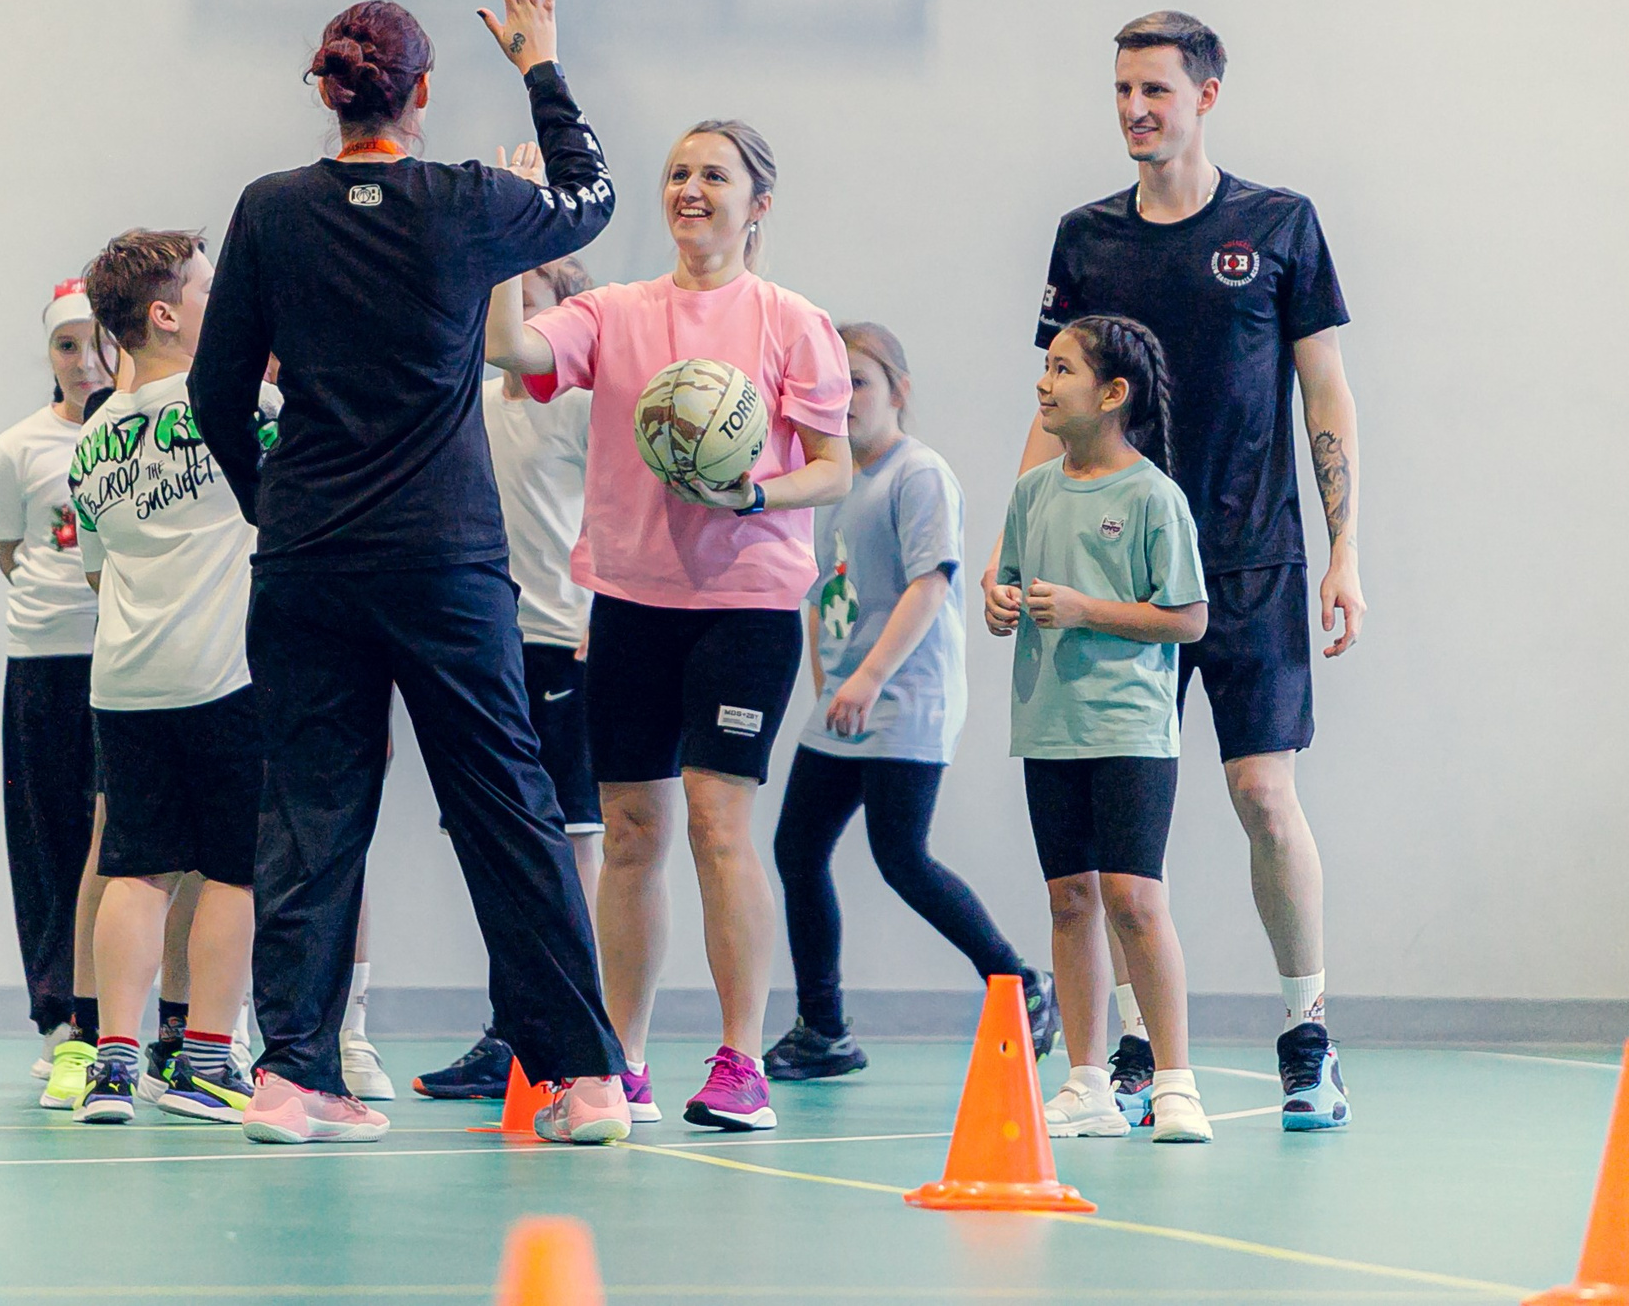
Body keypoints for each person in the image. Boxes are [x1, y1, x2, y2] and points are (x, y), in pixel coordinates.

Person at [188, 0, 631, 1146]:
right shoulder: (466, 199)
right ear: (420, 94)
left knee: (311, 815)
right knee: (506, 808)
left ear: (329, 95)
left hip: (310, 563)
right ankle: (585, 1081)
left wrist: (268, 507)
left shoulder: (271, 210)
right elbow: (592, 198)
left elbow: (215, 391)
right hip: (443, 563)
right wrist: (539, 62)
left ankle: (292, 1077)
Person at [1026, 11, 1360, 1130]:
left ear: (1205, 95)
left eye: (1155, 91)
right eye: (1121, 90)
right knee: (1120, 832)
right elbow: (1055, 400)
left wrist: (1344, 550)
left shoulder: (1278, 226)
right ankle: (1125, 1050)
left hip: (1253, 566)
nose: (1133, 110)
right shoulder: (1086, 239)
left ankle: (1307, 1033)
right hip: (1115, 573)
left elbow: (1326, 394)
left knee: (1263, 795)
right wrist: (1013, 547)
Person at [487, 119, 851, 1132]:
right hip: (632, 602)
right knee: (635, 831)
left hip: (745, 602)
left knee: (717, 822)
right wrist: (511, 243)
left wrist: (755, 495)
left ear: (756, 205)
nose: (691, 188)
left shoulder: (792, 321)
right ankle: (622, 1058)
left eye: (715, 175)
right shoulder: (611, 313)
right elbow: (514, 348)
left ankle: (741, 1060)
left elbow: (833, 467)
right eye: (679, 173)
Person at [765, 323, 1050, 1082]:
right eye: (831, 384)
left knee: (901, 855)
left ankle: (1018, 980)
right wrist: (830, 676)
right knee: (798, 849)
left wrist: (869, 677)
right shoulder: (829, 478)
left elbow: (931, 584)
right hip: (847, 701)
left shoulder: (917, 475)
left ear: (899, 390)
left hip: (906, 698)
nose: (844, 398)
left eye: (858, 381)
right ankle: (822, 1026)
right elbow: (821, 584)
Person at [987, 316, 1210, 1144]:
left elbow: (1187, 618)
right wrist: (1001, 603)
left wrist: (1086, 610)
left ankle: (1176, 1080)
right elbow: (1004, 580)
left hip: (1129, 727)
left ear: (1112, 394)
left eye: (1062, 369)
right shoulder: (1032, 491)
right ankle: (1086, 1082)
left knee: (1135, 899)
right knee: (1070, 898)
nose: (1044, 384)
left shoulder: (1153, 496)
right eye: (1045, 367)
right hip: (1049, 723)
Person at [64, 229, 262, 1125]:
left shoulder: (94, 437)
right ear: (167, 313)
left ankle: (112, 1064)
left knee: (135, 870)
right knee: (233, 868)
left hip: (125, 681)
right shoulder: (244, 403)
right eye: (211, 291)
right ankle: (210, 1061)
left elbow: (99, 574)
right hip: (224, 673)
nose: (226, 305)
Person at [415, 252, 603, 1102]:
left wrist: (606, 611)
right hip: (485, 642)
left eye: (525, 296)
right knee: (495, 840)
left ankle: (569, 1031)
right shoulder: (472, 401)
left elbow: (621, 503)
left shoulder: (579, 404)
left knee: (569, 840)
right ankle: (510, 1031)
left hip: (568, 638)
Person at [0, 280, 109, 1078]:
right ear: (49, 356)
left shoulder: (139, 431)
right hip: (41, 661)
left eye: (97, 342)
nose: (83, 360)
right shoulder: (19, 447)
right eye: (67, 345)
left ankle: (126, 1011)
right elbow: (8, 551)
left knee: (116, 840)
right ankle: (61, 1013)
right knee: (48, 837)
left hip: (121, 662)